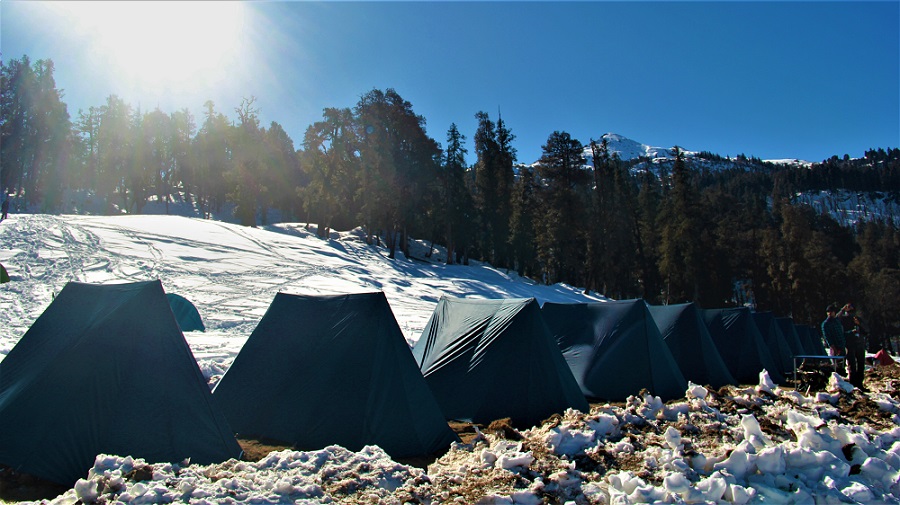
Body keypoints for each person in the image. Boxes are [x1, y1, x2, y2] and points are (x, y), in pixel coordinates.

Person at [840, 302, 867, 391]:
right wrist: (842, 310)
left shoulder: (858, 319)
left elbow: (866, 330)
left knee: (861, 364)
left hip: (860, 343)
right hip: (850, 343)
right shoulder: (844, 319)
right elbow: (836, 319)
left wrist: (859, 324)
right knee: (852, 365)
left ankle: (860, 383)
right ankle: (853, 383)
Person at [821, 303, 846, 373]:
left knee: (842, 366)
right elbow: (827, 337)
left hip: (842, 346)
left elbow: (839, 315)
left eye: (831, 312)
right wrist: (833, 347)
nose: (829, 313)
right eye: (828, 312)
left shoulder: (837, 321)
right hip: (835, 347)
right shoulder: (825, 324)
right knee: (836, 367)